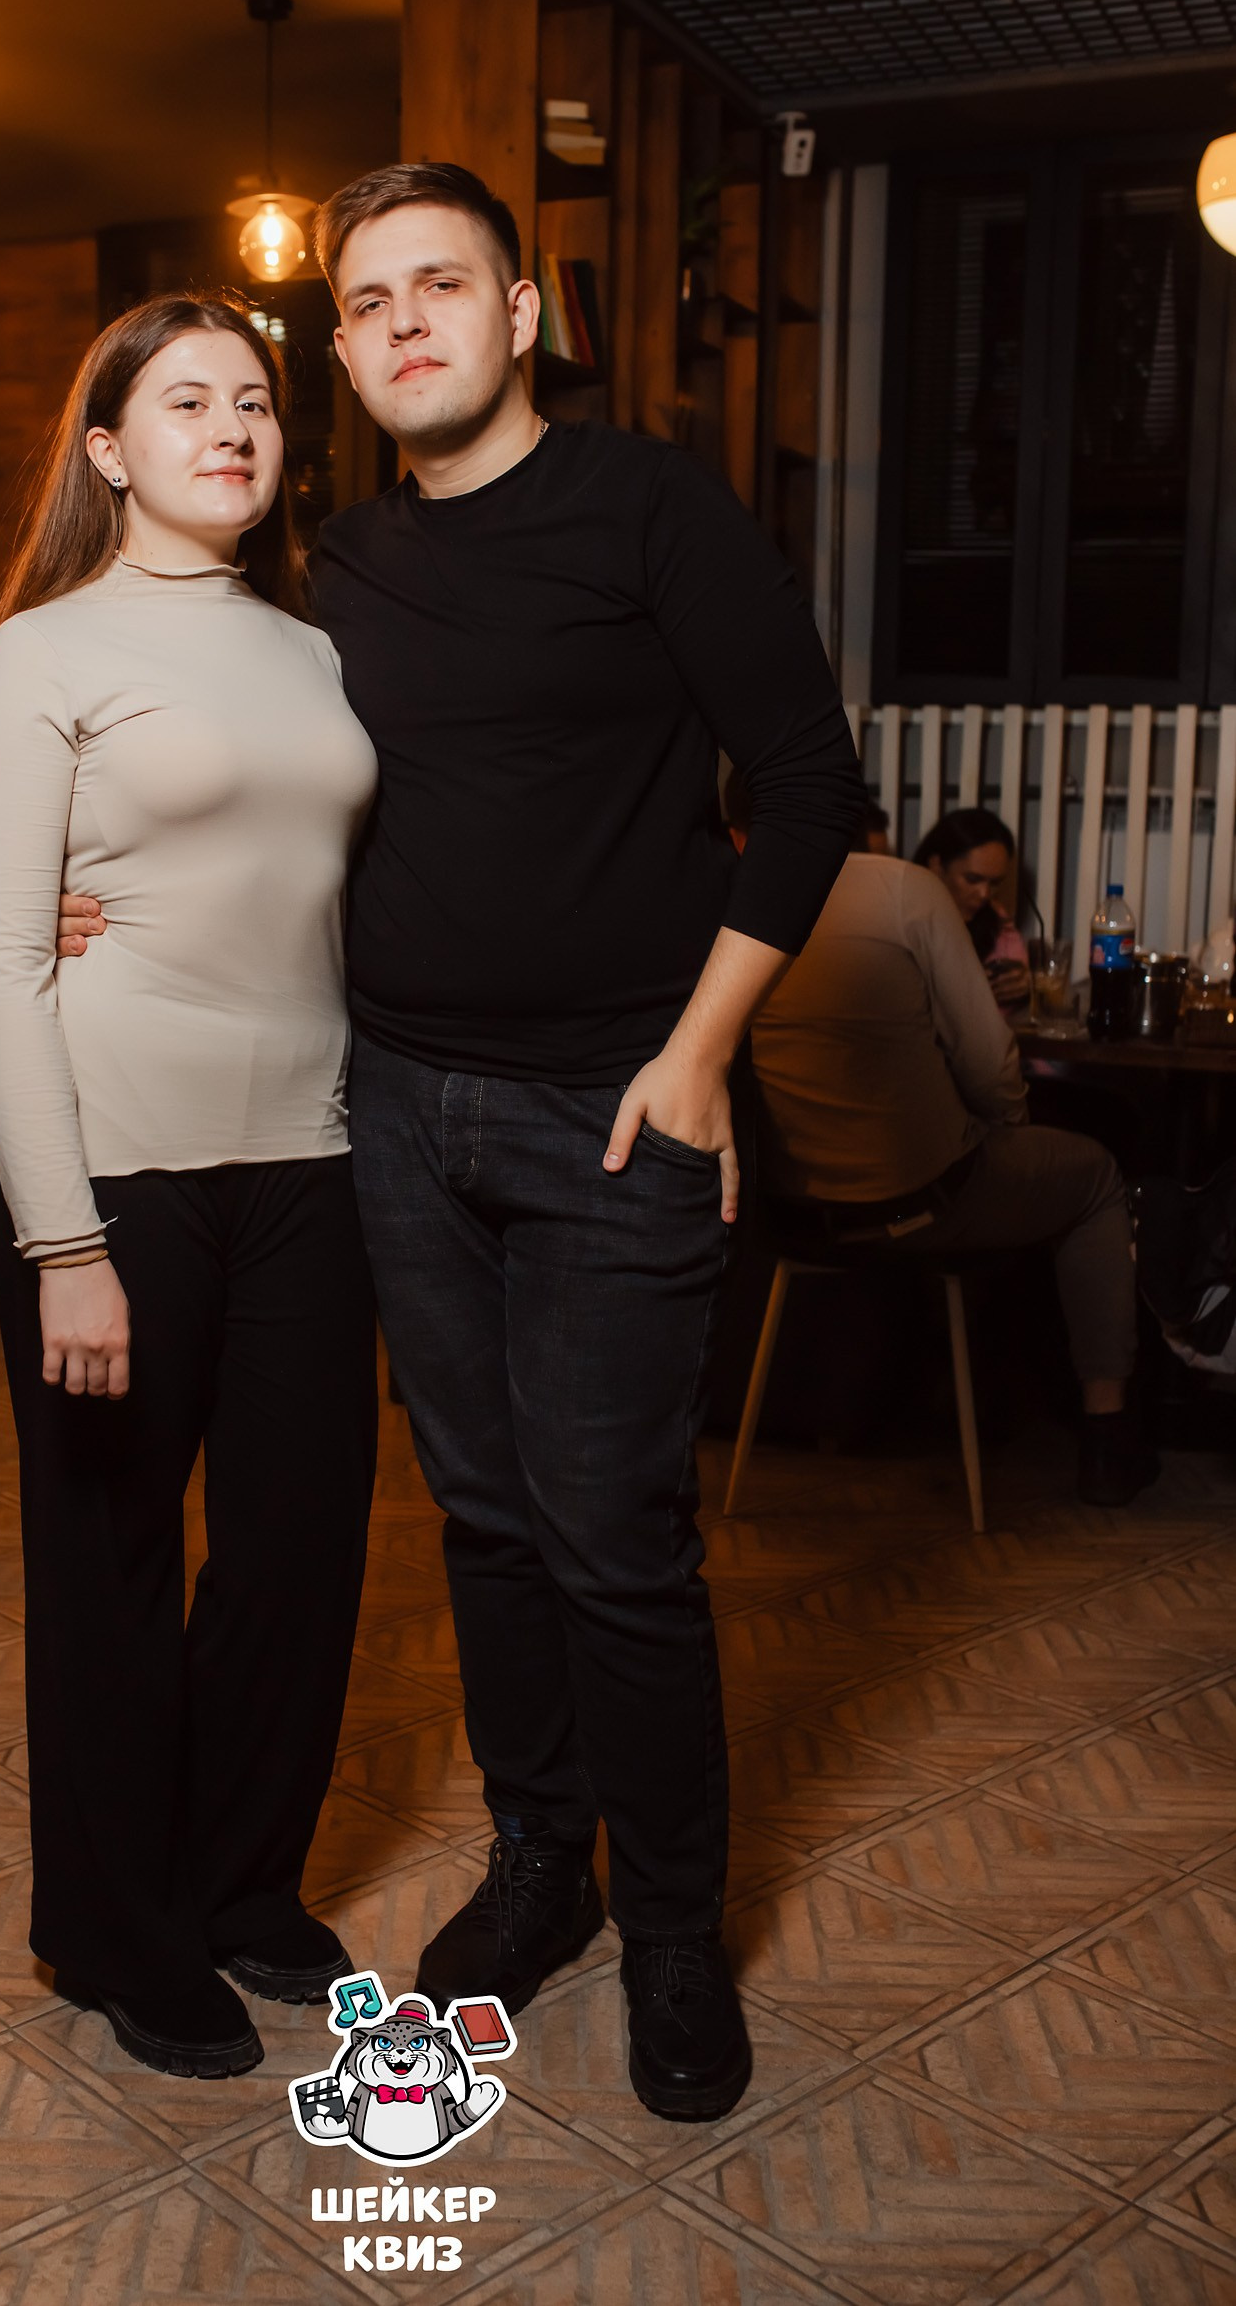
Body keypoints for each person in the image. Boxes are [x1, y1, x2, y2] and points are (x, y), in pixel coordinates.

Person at [58, 163, 863, 2123]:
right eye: (367, 299)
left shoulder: (648, 506)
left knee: (611, 1539)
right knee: (485, 1520)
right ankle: (539, 1862)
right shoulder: (333, 564)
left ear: (518, 315)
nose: (404, 317)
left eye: (441, 282)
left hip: (615, 1111)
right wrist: (100, 895)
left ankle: (671, 1930)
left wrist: (697, 1061)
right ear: (342, 356)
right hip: (395, 1109)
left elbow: (806, 783)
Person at [0, 295, 380, 2085]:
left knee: (296, 1556)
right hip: (114, 1172)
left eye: (255, 399)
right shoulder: (42, 653)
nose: (231, 426)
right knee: (111, 1567)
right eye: (185, 400)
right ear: (108, 450)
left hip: (313, 1163)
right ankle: (116, 1931)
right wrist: (63, 1243)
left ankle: (239, 1885)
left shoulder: (316, 648)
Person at [733, 779, 1150, 1507]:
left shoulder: (724, 896)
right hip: (916, 1202)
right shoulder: (902, 889)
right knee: (1095, 1175)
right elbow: (989, 1064)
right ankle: (1107, 1438)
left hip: (789, 1213)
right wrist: (1008, 1131)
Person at [914, 807, 1030, 1012]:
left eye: (995, 883)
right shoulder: (901, 920)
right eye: (972, 879)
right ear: (936, 866)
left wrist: (1022, 987)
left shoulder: (993, 918)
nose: (985, 894)